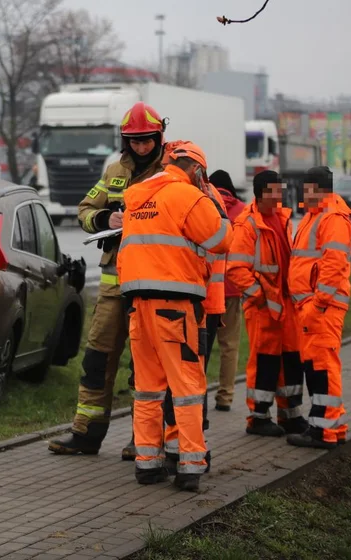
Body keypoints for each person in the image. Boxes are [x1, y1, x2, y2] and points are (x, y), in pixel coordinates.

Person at [48, 102, 167, 458]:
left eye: (147, 140)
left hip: (151, 284)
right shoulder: (115, 170)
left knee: (144, 365)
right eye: (135, 141)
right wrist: (104, 220)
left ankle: (142, 438)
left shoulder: (171, 172)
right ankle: (86, 434)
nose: (142, 147)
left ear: (158, 137)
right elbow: (85, 210)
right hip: (115, 285)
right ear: (125, 140)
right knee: (97, 359)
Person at [119, 142, 231, 491]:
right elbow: (221, 240)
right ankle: (190, 466)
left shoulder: (137, 196)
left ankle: (148, 465)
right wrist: (214, 203)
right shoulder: (189, 196)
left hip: (138, 308)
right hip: (175, 308)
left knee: (147, 389)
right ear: (196, 170)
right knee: (186, 389)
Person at [225, 170, 307, 436]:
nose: (280, 195)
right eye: (274, 191)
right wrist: (259, 297)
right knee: (265, 362)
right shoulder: (247, 224)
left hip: (286, 304)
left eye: (280, 190)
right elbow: (236, 268)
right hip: (264, 308)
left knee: (292, 360)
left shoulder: (283, 219)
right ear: (261, 194)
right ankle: (259, 417)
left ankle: (290, 414)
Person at [287, 166, 351, 449]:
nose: (303, 195)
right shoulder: (316, 216)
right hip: (311, 306)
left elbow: (333, 265)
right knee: (316, 367)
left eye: (306, 190)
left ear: (316, 188)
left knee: (324, 367)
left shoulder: (332, 218)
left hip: (321, 307)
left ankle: (324, 432)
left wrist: (318, 303)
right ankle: (328, 426)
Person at [208, 170, 246, 411]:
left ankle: (195, 395)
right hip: (233, 287)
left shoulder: (203, 204)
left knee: (200, 346)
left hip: (206, 288)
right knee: (229, 346)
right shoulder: (243, 211)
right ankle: (225, 396)